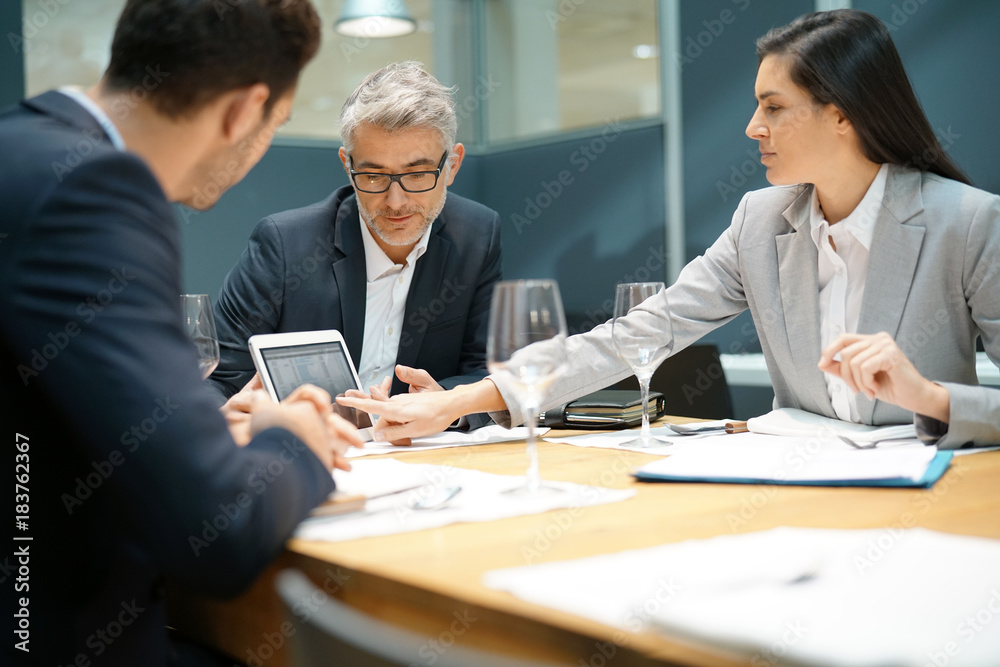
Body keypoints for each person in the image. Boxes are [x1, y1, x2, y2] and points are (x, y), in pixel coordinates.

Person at [338, 9, 1000, 449]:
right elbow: (633, 335)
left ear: (842, 117)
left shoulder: (966, 222)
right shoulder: (759, 220)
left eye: (773, 107)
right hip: (794, 491)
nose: (752, 127)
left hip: (930, 499)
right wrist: (459, 404)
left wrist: (931, 396)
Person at [0, 2, 363, 666]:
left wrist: (209, 437)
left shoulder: (21, 148)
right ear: (243, 111)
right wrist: (295, 438)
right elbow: (218, 530)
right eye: (274, 125)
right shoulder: (93, 189)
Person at [208, 61, 502, 430]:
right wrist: (235, 416)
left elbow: (487, 372)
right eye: (374, 175)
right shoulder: (285, 245)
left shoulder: (476, 235)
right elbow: (213, 382)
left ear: (452, 165)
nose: (396, 201)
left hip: (423, 459)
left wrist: (447, 404)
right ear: (348, 166)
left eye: (417, 174)